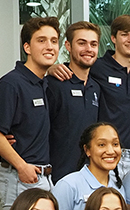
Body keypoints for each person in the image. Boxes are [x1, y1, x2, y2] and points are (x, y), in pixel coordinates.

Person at [0, 17, 59, 210]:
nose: (50, 46)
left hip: (41, 178)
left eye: (54, 40)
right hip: (19, 179)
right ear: (27, 47)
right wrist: (21, 166)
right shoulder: (12, 83)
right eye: (41, 40)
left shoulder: (43, 83)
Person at [49, 15, 130, 177]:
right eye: (124, 34)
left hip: (129, 155)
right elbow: (78, 66)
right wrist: (50, 69)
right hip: (100, 154)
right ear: (113, 38)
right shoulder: (98, 66)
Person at [47, 21, 102, 184]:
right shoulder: (53, 84)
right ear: (68, 46)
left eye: (93, 44)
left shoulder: (96, 88)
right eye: (81, 43)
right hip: (58, 178)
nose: (88, 49)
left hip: (88, 178)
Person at [53, 122, 122, 210]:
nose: (111, 151)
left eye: (115, 144)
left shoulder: (119, 188)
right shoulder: (68, 185)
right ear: (87, 150)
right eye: (102, 145)